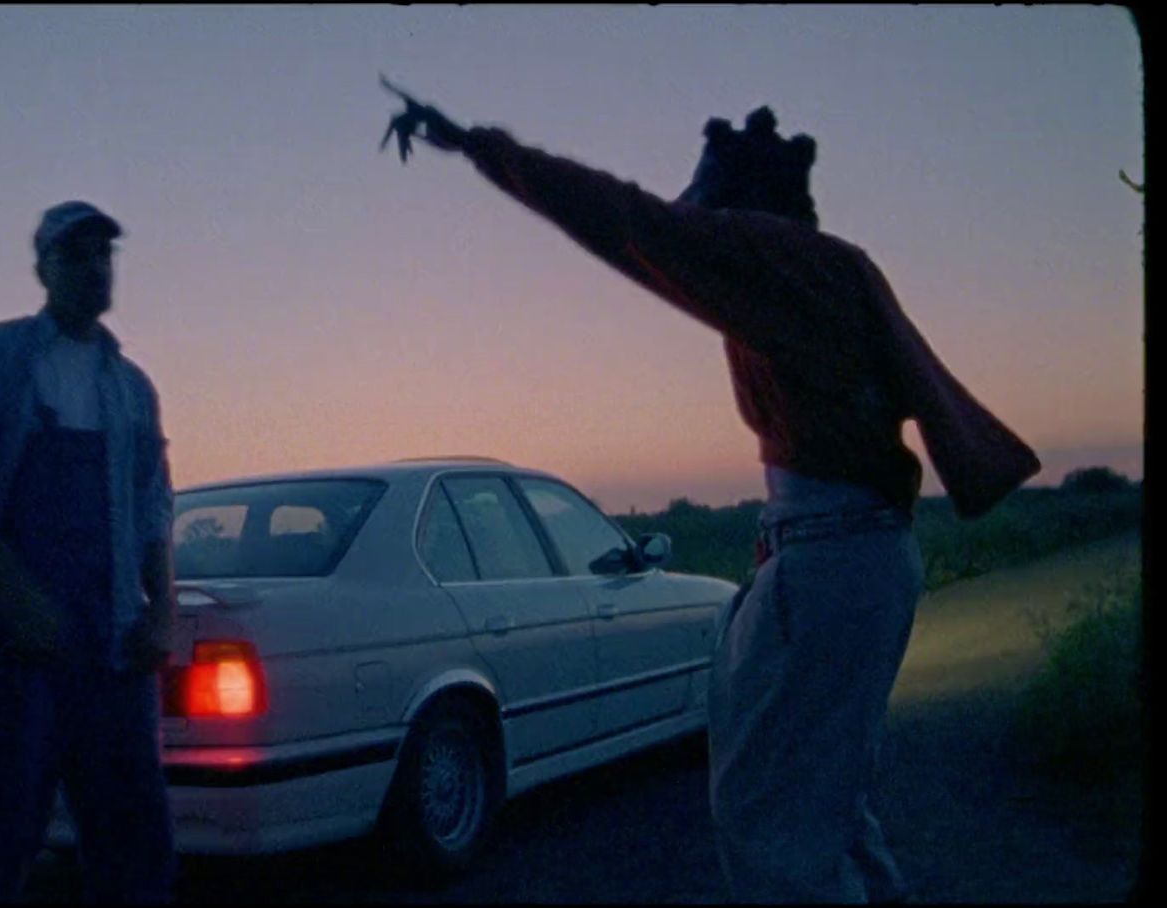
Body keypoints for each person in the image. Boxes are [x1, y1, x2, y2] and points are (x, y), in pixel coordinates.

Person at [379, 83, 1040, 903]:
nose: (686, 193)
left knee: (774, 828)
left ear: (734, 192)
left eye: (700, 176)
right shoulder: (822, 268)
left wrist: (475, 144)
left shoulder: (763, 254)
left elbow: (625, 219)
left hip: (829, 564)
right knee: (827, 804)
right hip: (857, 558)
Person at [0, 200, 177, 904]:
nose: (93, 267)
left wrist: (161, 609)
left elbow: (152, 510)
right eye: (75, 254)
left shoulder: (130, 387)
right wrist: (14, 588)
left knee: (135, 841)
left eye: (103, 253)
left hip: (109, 649)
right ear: (41, 269)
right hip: (7, 650)